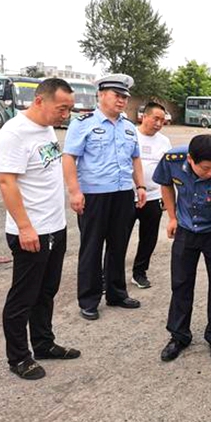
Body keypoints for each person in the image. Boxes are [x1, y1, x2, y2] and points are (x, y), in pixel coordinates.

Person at [0, 78, 81, 380]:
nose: (65, 115)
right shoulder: (14, 133)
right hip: (31, 230)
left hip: (55, 226)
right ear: (40, 101)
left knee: (47, 291)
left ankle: (43, 343)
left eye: (69, 109)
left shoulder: (46, 128)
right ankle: (18, 357)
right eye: (62, 108)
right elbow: (6, 182)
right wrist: (24, 227)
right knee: (24, 296)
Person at [153, 134, 211, 362]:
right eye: (206, 168)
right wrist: (172, 217)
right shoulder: (172, 159)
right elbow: (165, 184)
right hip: (186, 229)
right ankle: (179, 335)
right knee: (181, 282)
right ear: (191, 160)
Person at [62, 74, 146, 321]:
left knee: (118, 245)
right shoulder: (83, 123)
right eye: (117, 96)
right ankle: (88, 300)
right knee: (92, 247)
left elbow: (135, 158)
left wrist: (139, 186)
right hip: (94, 195)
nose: (122, 101)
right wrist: (74, 191)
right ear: (101, 94)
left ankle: (116, 293)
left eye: (125, 97)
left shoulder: (129, 126)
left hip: (122, 194)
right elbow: (69, 158)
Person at [129, 102, 172, 289]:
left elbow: (168, 171)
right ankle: (108, 275)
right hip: (127, 197)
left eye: (162, 120)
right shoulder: (131, 136)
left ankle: (139, 272)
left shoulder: (164, 142)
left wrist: (167, 198)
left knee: (149, 237)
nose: (159, 123)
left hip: (154, 196)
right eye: (156, 118)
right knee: (118, 238)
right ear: (143, 116)